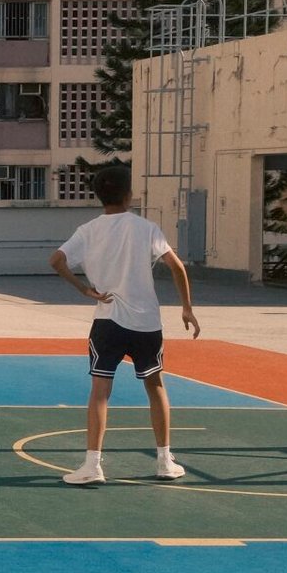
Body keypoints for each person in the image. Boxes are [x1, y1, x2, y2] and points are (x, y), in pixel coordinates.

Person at [49, 163, 200, 487]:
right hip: (146, 322)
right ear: (129, 195)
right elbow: (177, 267)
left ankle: (93, 465)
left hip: (108, 320)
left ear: (98, 195)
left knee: (100, 391)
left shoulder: (88, 231)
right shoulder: (146, 228)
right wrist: (186, 308)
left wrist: (84, 290)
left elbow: (56, 260)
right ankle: (164, 461)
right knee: (155, 385)